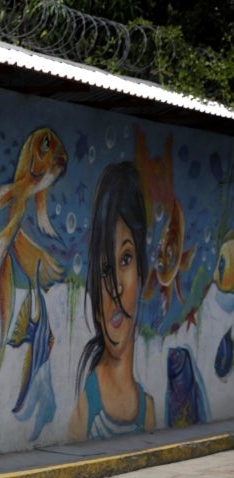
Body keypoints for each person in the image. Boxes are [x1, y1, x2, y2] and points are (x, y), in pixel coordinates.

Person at [69, 161, 156, 441]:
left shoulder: (149, 411)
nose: (116, 285)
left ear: (141, 273)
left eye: (126, 259)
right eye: (106, 269)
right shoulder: (86, 411)